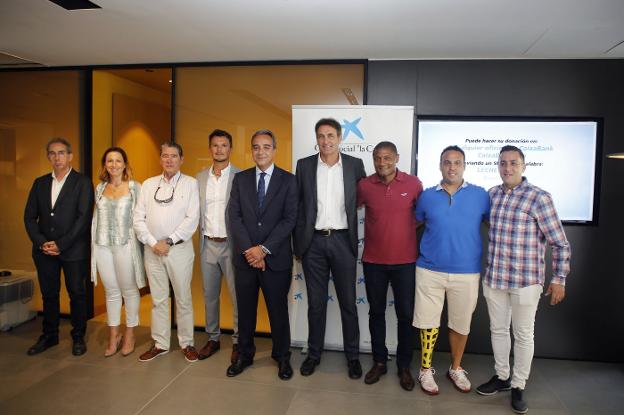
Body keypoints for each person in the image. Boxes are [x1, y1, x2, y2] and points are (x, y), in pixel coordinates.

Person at [476, 145, 571, 414]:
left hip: (526, 281)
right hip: (495, 278)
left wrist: (559, 279)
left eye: (513, 163)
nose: (507, 168)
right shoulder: (491, 195)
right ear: (497, 166)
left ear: (524, 166)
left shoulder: (539, 198)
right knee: (498, 330)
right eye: (503, 163)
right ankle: (502, 377)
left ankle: (518, 385)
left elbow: (560, 243)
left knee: (523, 334)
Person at [412, 145, 490, 395]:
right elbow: (416, 222)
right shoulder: (426, 196)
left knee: (460, 323)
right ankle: (425, 370)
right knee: (428, 322)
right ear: (440, 165)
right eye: (447, 162)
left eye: (457, 162)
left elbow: (494, 224)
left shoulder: (481, 195)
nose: (452, 167)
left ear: (464, 166)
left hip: (466, 272)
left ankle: (456, 368)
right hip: (429, 269)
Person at [294, 118, 366, 379]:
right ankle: (314, 355)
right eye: (321, 136)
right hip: (313, 242)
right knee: (316, 304)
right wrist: (299, 244)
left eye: (330, 136)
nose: (326, 141)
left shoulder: (355, 165)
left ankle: (353, 357)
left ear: (339, 138)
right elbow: (298, 207)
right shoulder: (304, 166)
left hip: (343, 241)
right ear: (317, 139)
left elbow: (361, 199)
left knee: (348, 303)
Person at [226, 130, 297, 380]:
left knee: (277, 311)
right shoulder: (241, 179)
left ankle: (282, 356)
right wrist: (250, 250)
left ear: (275, 150)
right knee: (245, 311)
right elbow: (233, 216)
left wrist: (263, 249)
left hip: (275, 260)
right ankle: (244, 355)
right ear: (251, 150)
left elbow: (289, 219)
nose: (261, 152)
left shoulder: (289, 180)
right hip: (245, 260)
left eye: (266, 147)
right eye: (256, 147)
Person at [357, 141, 423, 391]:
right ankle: (379, 361)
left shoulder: (414, 184)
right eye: (377, 158)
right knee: (376, 313)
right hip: (373, 262)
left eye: (387, 157)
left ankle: (404, 366)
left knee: (405, 315)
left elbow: (421, 216)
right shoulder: (365, 185)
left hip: (405, 262)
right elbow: (351, 208)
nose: (382, 162)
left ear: (396, 158)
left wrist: (401, 230)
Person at [24, 137, 94, 356]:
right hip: (44, 252)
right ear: (48, 157)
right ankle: (50, 335)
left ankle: (78, 337)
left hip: (73, 250)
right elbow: (29, 217)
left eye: (61, 153)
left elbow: (83, 219)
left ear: (70, 156)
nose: (57, 157)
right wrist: (43, 243)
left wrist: (61, 244)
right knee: (49, 294)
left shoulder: (82, 182)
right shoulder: (40, 183)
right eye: (52, 153)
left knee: (77, 293)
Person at [133, 141, 200, 362]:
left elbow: (192, 219)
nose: (169, 160)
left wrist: (168, 241)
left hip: (178, 250)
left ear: (182, 160)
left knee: (183, 299)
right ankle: (160, 343)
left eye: (173, 156)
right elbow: (138, 219)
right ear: (160, 159)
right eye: (165, 156)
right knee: (158, 299)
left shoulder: (190, 184)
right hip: (153, 251)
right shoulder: (148, 184)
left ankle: (187, 343)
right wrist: (153, 243)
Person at [91, 147, 145, 357]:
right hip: (102, 245)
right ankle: (114, 335)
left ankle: (130, 333)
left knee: (129, 290)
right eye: (109, 161)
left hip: (126, 246)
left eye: (118, 160)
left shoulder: (134, 187)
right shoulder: (99, 188)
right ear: (105, 165)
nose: (114, 164)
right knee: (111, 292)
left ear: (125, 164)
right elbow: (96, 218)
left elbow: (141, 217)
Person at [196, 129, 241, 362]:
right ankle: (213, 339)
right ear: (210, 148)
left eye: (224, 145)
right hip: (208, 245)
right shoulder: (200, 177)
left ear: (230, 149)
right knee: (210, 295)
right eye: (215, 145)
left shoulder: (241, 176)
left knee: (237, 296)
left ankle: (237, 342)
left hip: (231, 245)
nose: (219, 149)